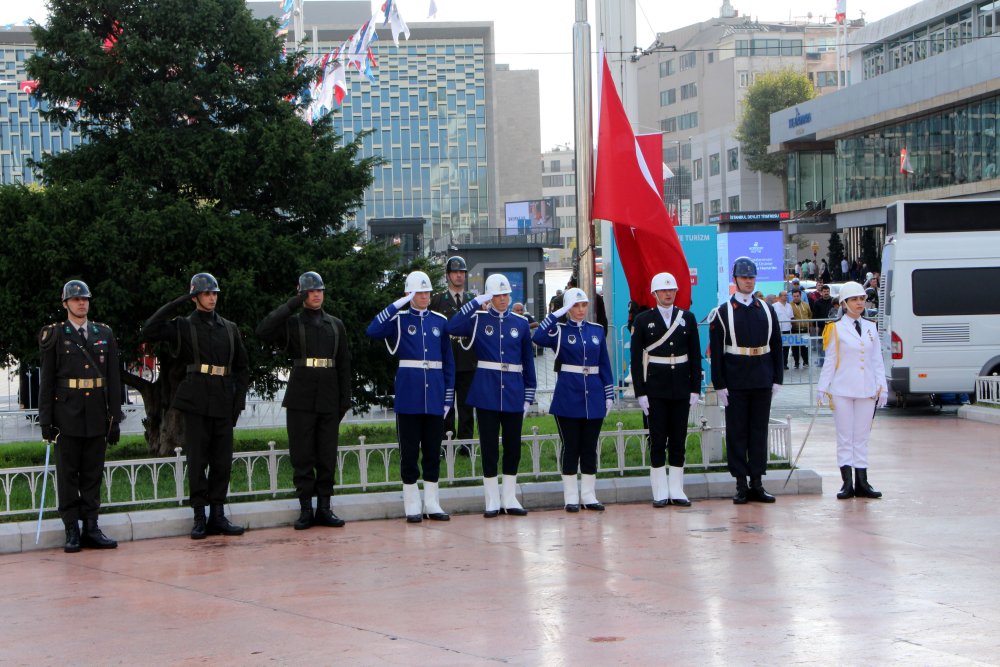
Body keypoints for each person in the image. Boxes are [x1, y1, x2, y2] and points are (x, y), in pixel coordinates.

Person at [142, 273, 249, 539]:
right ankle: (199, 516)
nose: (211, 298)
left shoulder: (229, 328)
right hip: (197, 399)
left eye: (214, 293)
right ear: (195, 297)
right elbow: (150, 329)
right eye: (205, 293)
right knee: (198, 460)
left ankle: (218, 515)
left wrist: (238, 402)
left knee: (222, 463)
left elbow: (242, 368)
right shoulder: (183, 326)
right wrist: (180, 300)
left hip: (224, 400)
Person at [256, 271, 351, 530]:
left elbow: (344, 365)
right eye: (310, 291)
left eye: (319, 290)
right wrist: (291, 304)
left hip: (329, 395)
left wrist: (344, 400)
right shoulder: (293, 323)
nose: (317, 294)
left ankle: (325, 507)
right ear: (301, 294)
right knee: (302, 454)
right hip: (301, 396)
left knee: (326, 455)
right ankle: (306, 509)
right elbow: (264, 330)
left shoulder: (335, 325)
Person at [38, 280, 122, 553]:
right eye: (75, 300)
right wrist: (46, 421)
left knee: (92, 474)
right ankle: (72, 529)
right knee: (67, 475)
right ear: (65, 304)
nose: (81, 303)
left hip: (97, 414)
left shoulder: (104, 333)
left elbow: (113, 378)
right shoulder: (55, 335)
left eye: (84, 298)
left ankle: (92, 527)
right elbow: (47, 381)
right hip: (67, 415)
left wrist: (115, 418)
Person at [367, 270, 455, 523]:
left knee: (432, 451)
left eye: (427, 292)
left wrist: (447, 398)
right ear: (409, 294)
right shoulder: (399, 319)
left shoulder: (439, 321)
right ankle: (411, 503)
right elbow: (373, 330)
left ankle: (432, 502)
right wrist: (398, 304)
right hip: (409, 396)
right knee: (409, 452)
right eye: (419, 292)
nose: (425, 296)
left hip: (435, 395)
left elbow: (448, 363)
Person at [446, 273, 536, 517]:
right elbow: (452, 326)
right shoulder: (478, 319)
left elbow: (528, 360)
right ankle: (492, 499)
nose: (503, 299)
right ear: (489, 296)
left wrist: (529, 394)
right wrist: (477, 303)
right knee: (488, 447)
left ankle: (509, 497)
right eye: (497, 295)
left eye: (506, 294)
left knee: (512, 446)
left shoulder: (519, 323)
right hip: (486, 391)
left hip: (514, 391)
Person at [708, 257, 783, 504]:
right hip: (736, 380)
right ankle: (741, 483)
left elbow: (776, 346)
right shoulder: (723, 312)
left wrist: (777, 378)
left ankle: (758, 482)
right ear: (735, 279)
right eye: (744, 277)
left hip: (761, 377)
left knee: (759, 432)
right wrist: (719, 384)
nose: (748, 282)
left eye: (751, 277)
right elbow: (717, 353)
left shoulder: (767, 309)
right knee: (737, 432)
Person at [532, 287, 614, 512]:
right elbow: (538, 337)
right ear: (568, 309)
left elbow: (604, 364)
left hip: (594, 394)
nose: (580, 310)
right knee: (571, 447)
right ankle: (570, 496)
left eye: (583, 305)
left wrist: (609, 393)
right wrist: (556, 314)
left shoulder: (596, 331)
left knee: (589, 447)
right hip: (568, 395)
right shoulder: (558, 330)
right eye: (575, 306)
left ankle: (588, 495)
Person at [630, 273, 702, 508]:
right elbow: (635, 360)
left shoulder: (687, 318)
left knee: (679, 439)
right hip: (655, 389)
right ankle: (660, 490)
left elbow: (694, 355)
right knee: (658, 439)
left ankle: (677, 488)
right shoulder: (642, 320)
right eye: (663, 290)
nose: (668, 294)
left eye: (671, 290)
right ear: (654, 294)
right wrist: (640, 392)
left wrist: (695, 389)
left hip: (681, 387)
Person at [816, 282, 888, 500]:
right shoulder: (835, 328)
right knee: (845, 436)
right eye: (855, 299)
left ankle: (862, 482)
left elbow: (877, 360)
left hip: (867, 389)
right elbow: (830, 360)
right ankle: (847, 483)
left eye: (862, 299)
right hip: (842, 389)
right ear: (844, 303)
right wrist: (822, 387)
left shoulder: (870, 326)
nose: (859, 303)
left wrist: (882, 386)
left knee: (862, 437)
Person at [429, 256, 476, 445]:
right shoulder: (438, 300)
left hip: (467, 360)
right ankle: (446, 443)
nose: (459, 276)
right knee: (446, 405)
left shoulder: (473, 300)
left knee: (466, 406)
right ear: (447, 275)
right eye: (455, 272)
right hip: (447, 361)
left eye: (462, 272)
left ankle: (466, 445)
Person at [789, 289, 812, 369]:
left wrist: (810, 326)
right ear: (792, 296)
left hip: (805, 329)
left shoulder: (806, 305)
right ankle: (796, 363)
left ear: (800, 296)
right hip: (795, 329)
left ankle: (806, 362)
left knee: (804, 347)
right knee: (795, 347)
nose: (796, 297)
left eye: (797, 296)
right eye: (794, 296)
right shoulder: (790, 306)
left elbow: (810, 315)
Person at [773, 291, 794, 370]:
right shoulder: (774, 306)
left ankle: (785, 363)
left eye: (786, 295)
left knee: (786, 348)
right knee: (778, 347)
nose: (786, 297)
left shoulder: (789, 306)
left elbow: (791, 317)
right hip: (778, 330)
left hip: (787, 329)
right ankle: (778, 364)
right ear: (780, 296)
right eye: (784, 295)